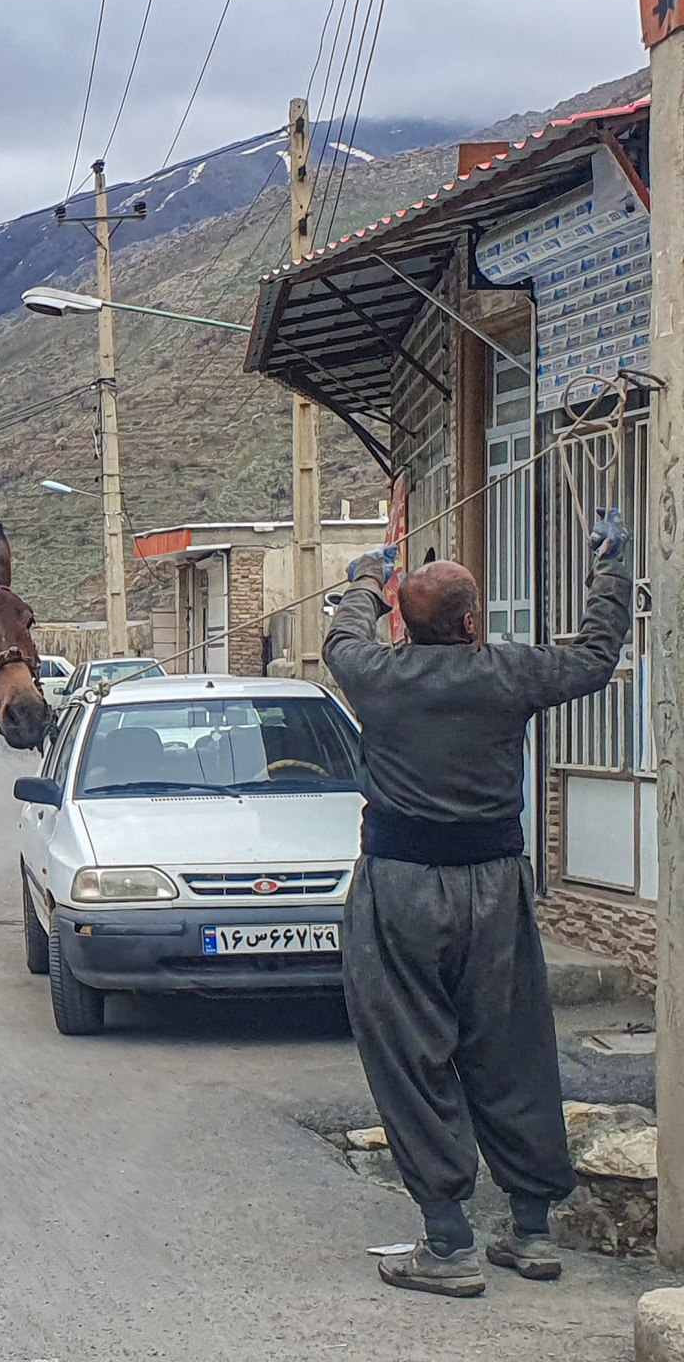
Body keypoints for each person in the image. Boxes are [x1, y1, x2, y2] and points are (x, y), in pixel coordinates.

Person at [324, 510, 630, 1298]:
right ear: (470, 623)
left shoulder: (376, 674)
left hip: (398, 886)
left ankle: (449, 1240)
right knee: (512, 1047)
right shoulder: (507, 673)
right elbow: (597, 657)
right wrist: (610, 567)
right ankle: (530, 1231)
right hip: (493, 885)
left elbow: (342, 638)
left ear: (407, 624)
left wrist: (366, 582)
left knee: (410, 1054)